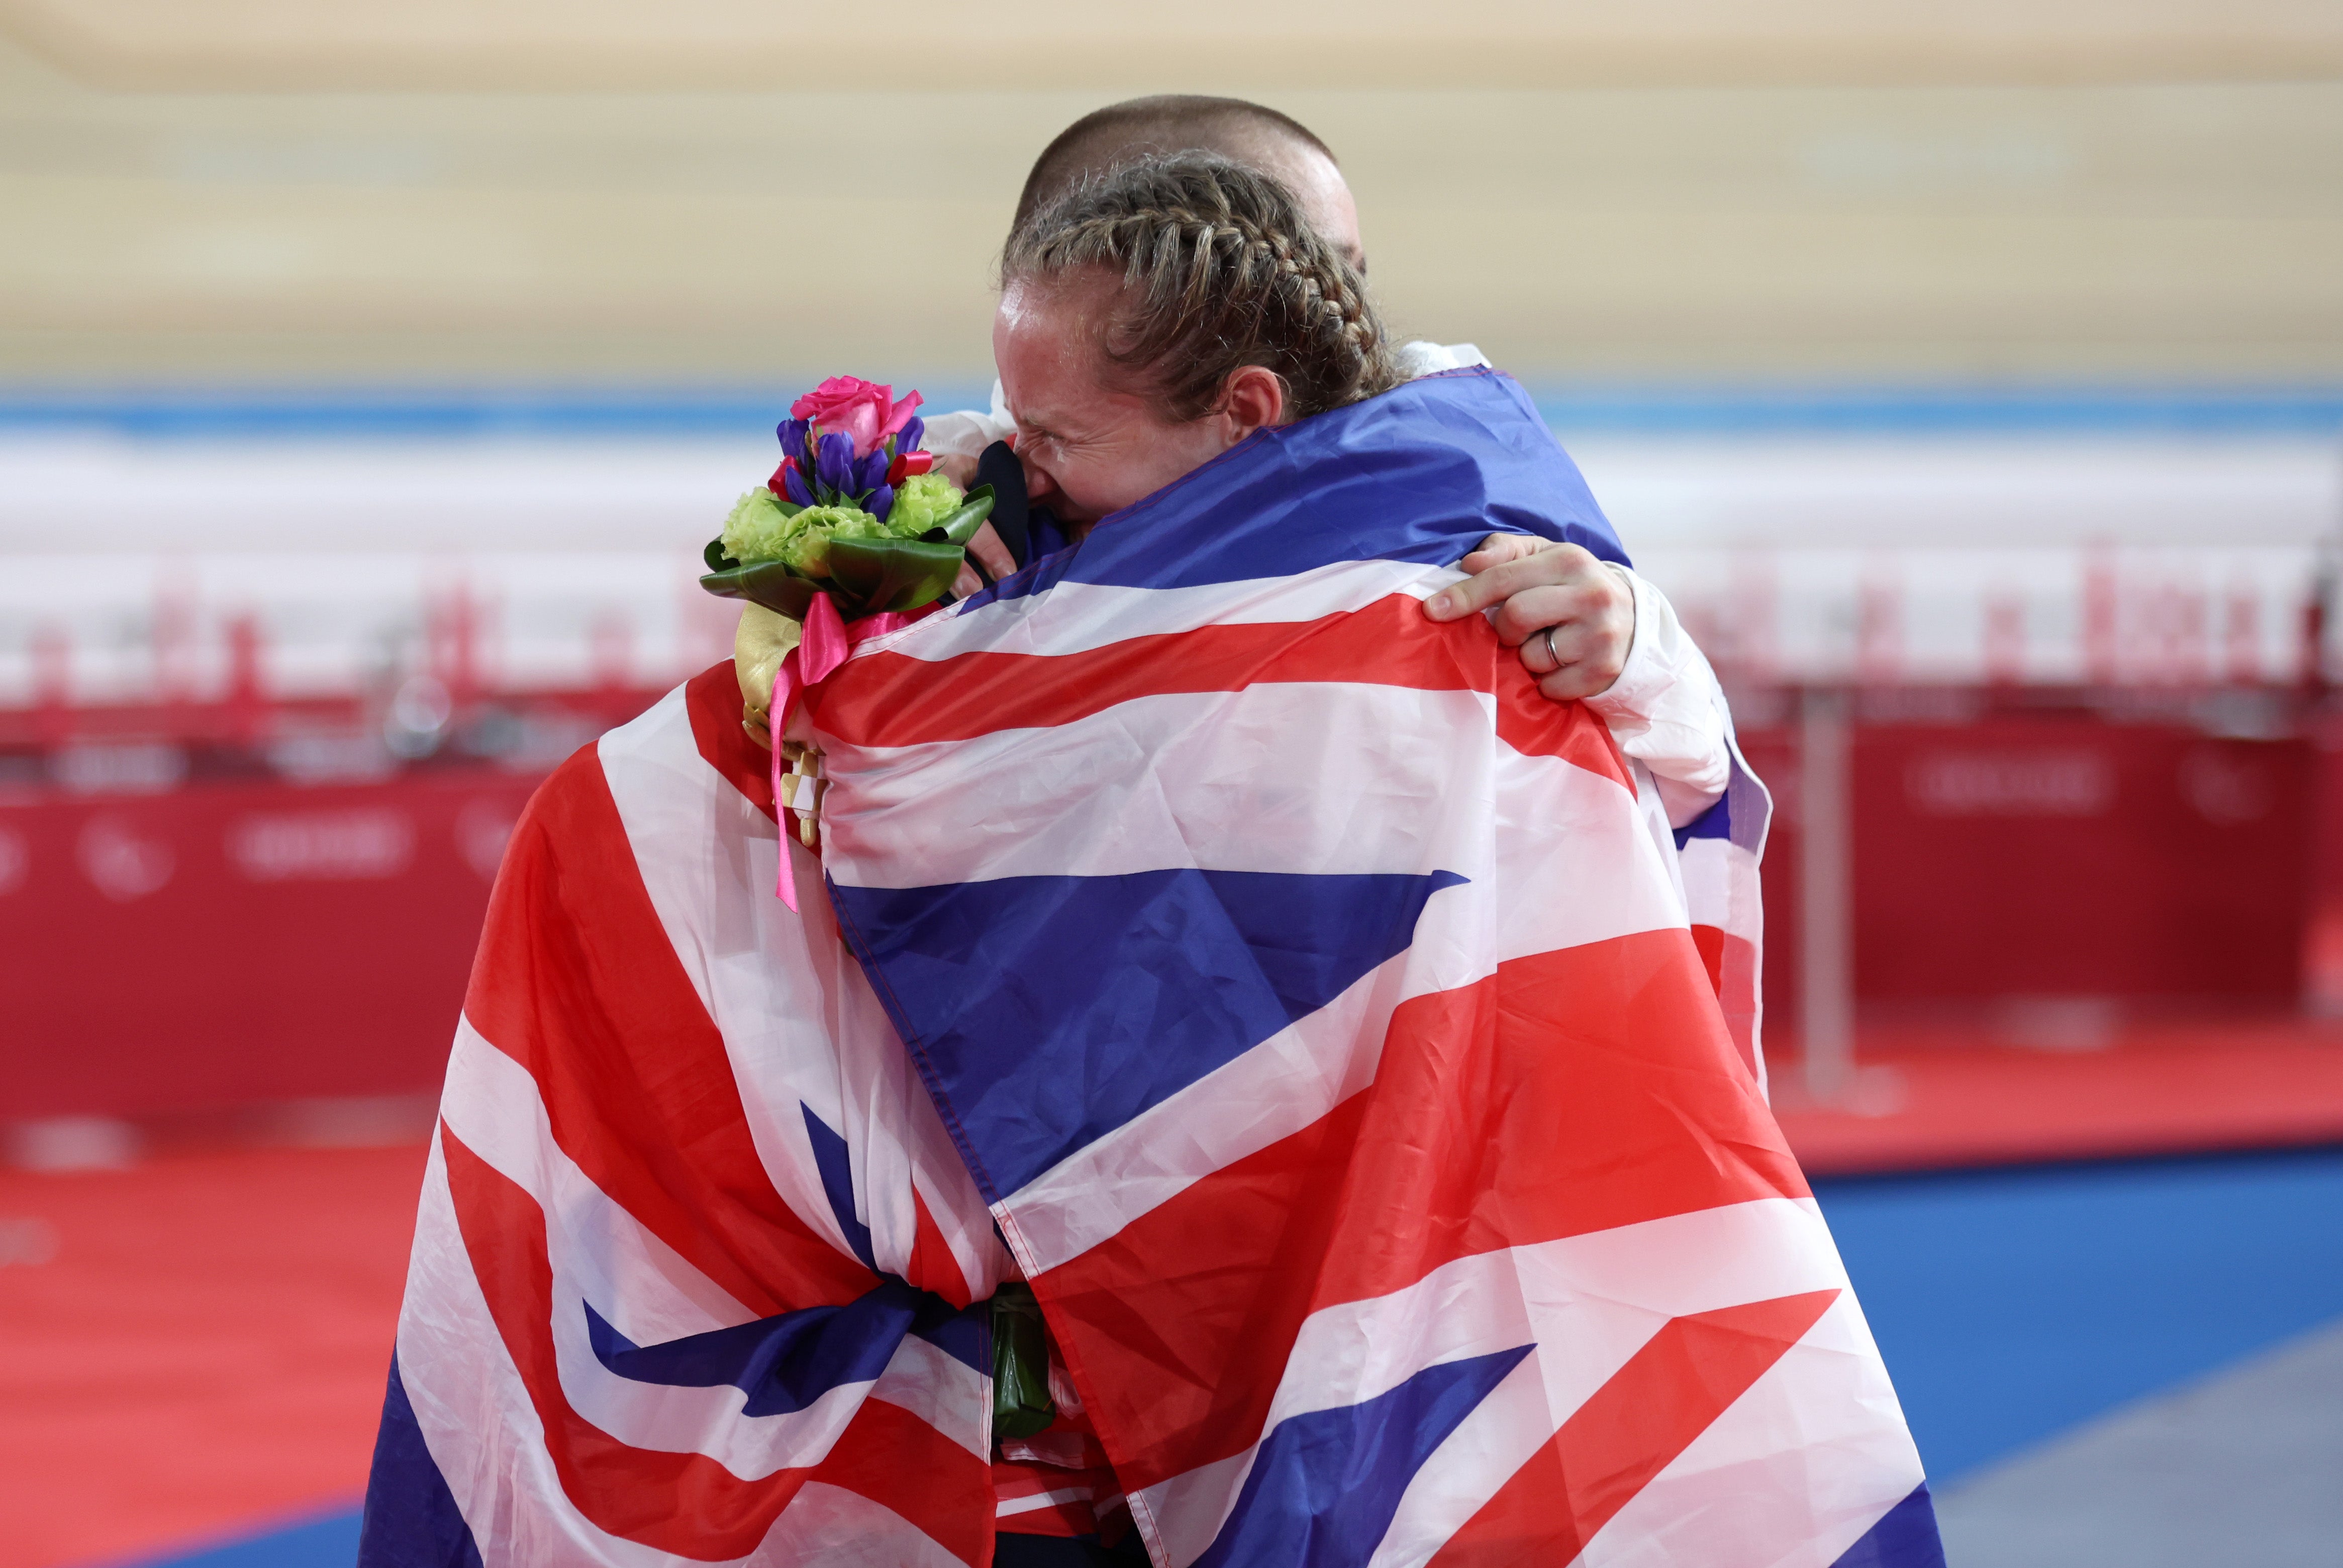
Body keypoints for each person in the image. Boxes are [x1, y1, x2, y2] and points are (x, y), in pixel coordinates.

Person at [806, 152, 1937, 1568]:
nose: (1337, 319)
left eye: (1326, 264)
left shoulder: (1469, 528)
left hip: (1413, 1257)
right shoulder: (992, 512)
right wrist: (900, 576)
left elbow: (1646, 814)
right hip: (1075, 1309)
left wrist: (1648, 658)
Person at [924, 94, 1732, 831]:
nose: (1333, 315)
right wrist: (883, 545)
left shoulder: (1449, 462)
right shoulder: (958, 487)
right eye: (1262, 271)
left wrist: (1635, 645)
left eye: (1348, 271)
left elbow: (1689, 771)